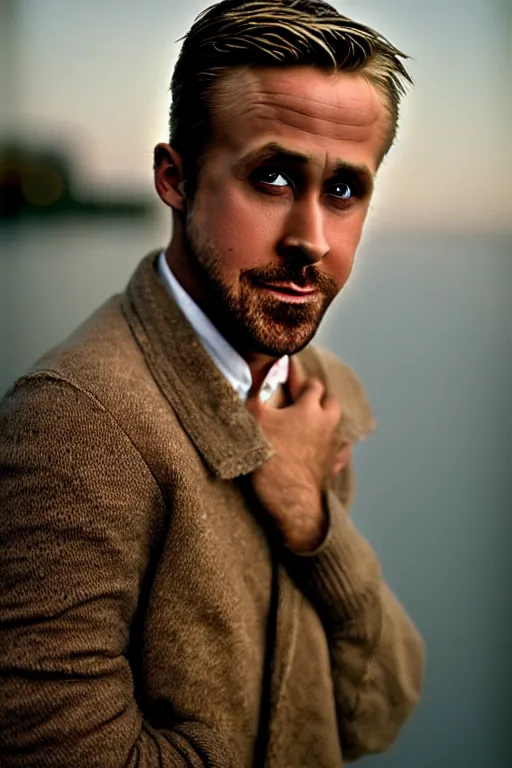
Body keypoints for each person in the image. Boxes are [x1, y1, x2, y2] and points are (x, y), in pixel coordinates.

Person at [0, 1, 425, 765]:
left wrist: (313, 526)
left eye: (344, 191)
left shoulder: (315, 395)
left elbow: (379, 710)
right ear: (176, 177)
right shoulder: (75, 425)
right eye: (270, 176)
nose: (310, 240)